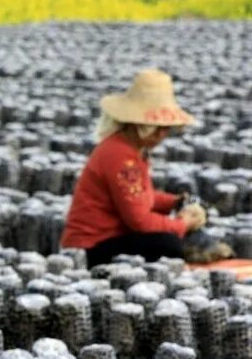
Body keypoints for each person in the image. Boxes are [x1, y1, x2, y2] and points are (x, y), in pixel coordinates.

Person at [61, 68, 207, 268]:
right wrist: (182, 224)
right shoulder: (121, 156)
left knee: (168, 238)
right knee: (168, 244)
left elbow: (139, 196)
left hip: (104, 239)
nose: (164, 135)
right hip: (91, 247)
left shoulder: (128, 149)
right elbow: (140, 221)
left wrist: (174, 202)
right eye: (162, 128)